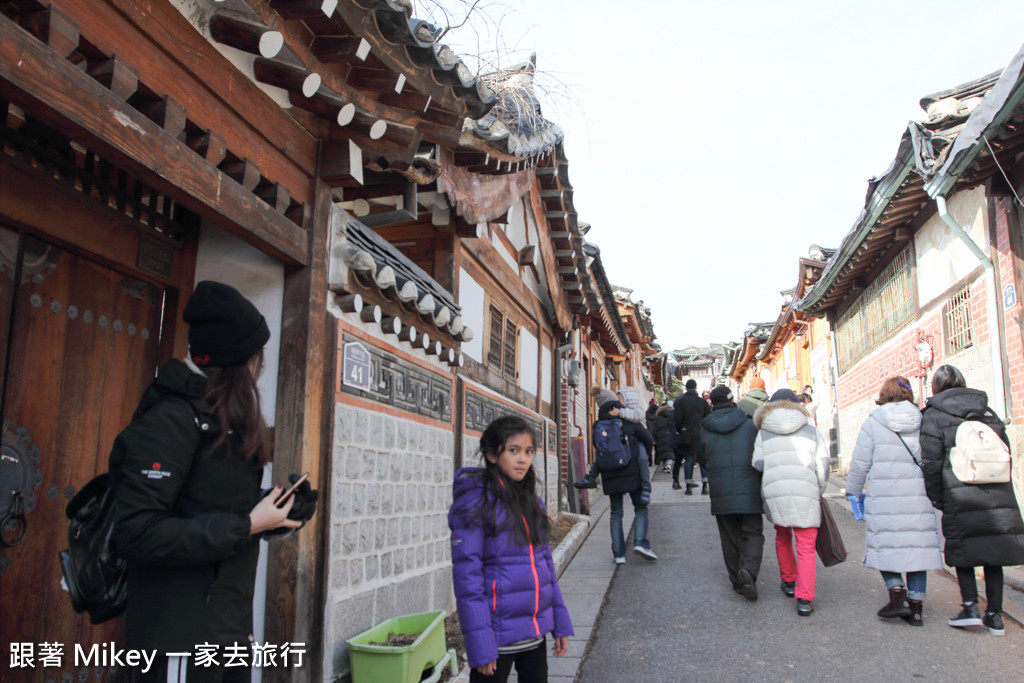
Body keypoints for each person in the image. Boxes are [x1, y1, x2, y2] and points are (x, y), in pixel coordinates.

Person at [110, 281, 311, 682]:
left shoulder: (219, 419)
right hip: (177, 639)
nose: (262, 365)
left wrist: (275, 510)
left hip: (226, 633)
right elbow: (135, 531)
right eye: (258, 355)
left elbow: (205, 507)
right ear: (239, 361)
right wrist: (248, 524)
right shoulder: (170, 419)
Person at [449, 415, 573, 681]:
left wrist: (559, 624)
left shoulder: (533, 503)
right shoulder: (474, 505)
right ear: (492, 455)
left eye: (528, 451)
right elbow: (468, 582)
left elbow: (546, 569)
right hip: (496, 642)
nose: (523, 459)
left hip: (534, 635)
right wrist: (481, 647)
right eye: (513, 450)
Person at [919, 364, 1024, 636]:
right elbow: (1005, 451)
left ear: (936, 388)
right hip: (997, 490)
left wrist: (937, 497)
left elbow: (931, 462)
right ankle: (995, 616)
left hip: (958, 490)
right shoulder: (988, 411)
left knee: (964, 551)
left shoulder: (935, 414)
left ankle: (970, 608)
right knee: (994, 554)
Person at [844, 376, 942, 626]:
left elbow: (860, 462)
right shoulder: (923, 420)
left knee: (883, 544)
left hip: (884, 496)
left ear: (884, 395)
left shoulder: (874, 422)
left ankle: (897, 593)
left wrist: (853, 491)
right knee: (916, 550)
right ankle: (917, 610)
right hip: (918, 495)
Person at [751, 388, 830, 617]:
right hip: (805, 491)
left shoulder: (763, 431)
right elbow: (823, 467)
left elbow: (757, 463)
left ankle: (788, 581)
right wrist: (818, 490)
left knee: (783, 536)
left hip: (776, 491)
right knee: (806, 546)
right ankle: (804, 599)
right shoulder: (811, 431)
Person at [576, 390, 657, 562]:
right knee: (640, 508)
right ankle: (640, 542)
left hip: (610, 473)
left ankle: (619, 554)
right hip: (632, 470)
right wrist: (642, 452)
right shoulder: (629, 421)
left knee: (616, 513)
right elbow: (649, 439)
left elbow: (599, 449)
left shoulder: (598, 425)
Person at [702, 385, 763, 601]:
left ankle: (738, 582)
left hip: (720, 489)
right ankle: (749, 570)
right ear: (732, 400)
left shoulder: (705, 428)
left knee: (729, 537)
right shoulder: (750, 425)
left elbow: (701, 457)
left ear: (712, 404)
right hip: (749, 486)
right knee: (753, 532)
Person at [574, 386, 652, 507]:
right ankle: (591, 477)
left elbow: (643, 431)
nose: (619, 402)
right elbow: (648, 439)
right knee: (639, 509)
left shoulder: (635, 410)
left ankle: (647, 486)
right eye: (617, 399)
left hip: (636, 445)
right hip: (630, 464)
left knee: (640, 458)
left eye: (620, 398)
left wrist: (619, 412)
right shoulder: (619, 419)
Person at [673, 379, 711, 494]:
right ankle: (705, 486)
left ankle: (688, 487)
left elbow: (677, 419)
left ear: (686, 388)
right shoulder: (702, 402)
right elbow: (708, 417)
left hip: (686, 434)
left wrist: (681, 430)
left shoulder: (681, 402)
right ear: (695, 387)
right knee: (702, 460)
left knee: (689, 460)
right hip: (700, 433)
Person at [652, 401, 676, 474]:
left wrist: (654, 438)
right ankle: (668, 465)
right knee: (670, 451)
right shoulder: (673, 416)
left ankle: (665, 465)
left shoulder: (658, 417)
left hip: (660, 436)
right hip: (671, 435)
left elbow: (654, 429)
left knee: (663, 451)